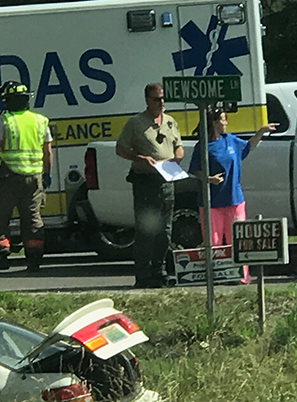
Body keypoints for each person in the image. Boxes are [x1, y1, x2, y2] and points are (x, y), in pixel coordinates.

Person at [188, 108, 276, 284]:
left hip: (234, 199)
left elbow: (248, 146)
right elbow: (194, 171)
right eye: (223, 119)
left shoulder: (231, 140)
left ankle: (241, 277)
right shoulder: (203, 145)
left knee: (237, 241)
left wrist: (261, 131)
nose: (226, 123)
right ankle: (217, 276)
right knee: (213, 241)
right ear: (214, 123)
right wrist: (208, 178)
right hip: (211, 203)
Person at [116, 83, 184, 289]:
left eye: (163, 99)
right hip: (146, 182)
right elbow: (120, 148)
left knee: (165, 230)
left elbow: (178, 146)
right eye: (156, 99)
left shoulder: (170, 122)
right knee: (147, 230)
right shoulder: (136, 123)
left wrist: (178, 156)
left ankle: (158, 270)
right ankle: (143, 274)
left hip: (167, 181)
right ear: (147, 100)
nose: (161, 103)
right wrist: (140, 158)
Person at [0, 81, 53, 272]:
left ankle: (1, 258)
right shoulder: (41, 120)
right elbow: (48, 151)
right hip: (34, 178)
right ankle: (34, 259)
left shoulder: (4, 121)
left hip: (8, 177)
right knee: (32, 218)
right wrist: (47, 173)